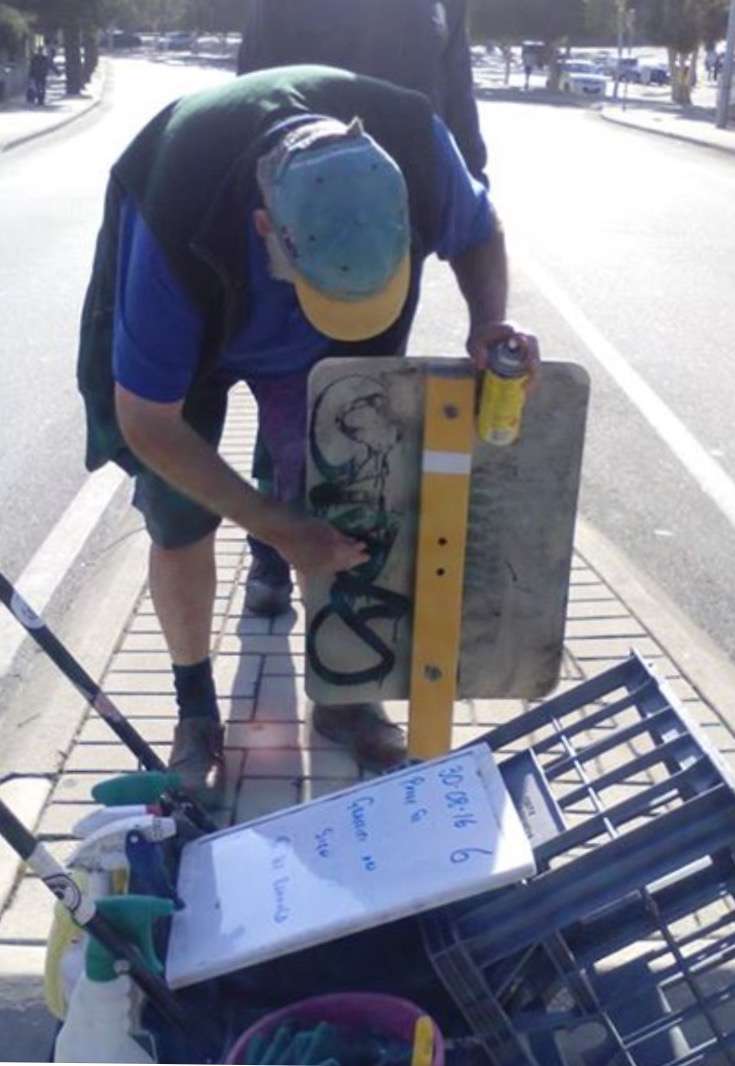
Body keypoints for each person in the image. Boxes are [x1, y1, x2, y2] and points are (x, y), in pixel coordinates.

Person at [77, 65, 536, 798]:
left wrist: (487, 320)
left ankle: (344, 691)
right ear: (266, 227)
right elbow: (147, 422)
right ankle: (195, 708)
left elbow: (480, 232)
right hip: (201, 323)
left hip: (311, 351)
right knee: (178, 516)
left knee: (345, 502)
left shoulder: (416, 141)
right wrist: (274, 526)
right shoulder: (175, 213)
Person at [236, 0, 488, 619]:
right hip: (305, 210)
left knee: (360, 401)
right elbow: (254, 85)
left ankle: (347, 611)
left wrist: (467, 189)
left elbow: (456, 93)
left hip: (395, 220)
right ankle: (272, 546)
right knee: (284, 387)